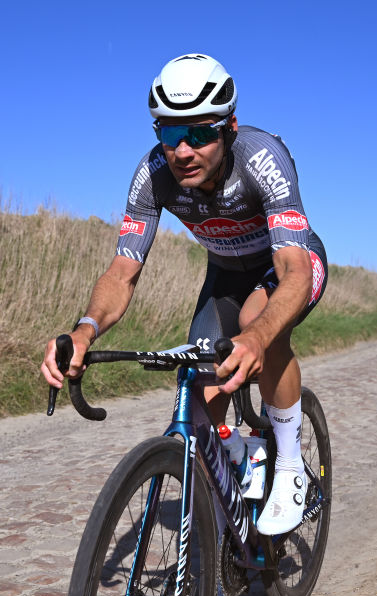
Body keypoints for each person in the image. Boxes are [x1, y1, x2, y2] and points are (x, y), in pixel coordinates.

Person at [40, 54, 327, 536]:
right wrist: (85, 331)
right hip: (225, 275)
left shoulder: (262, 158)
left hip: (290, 265)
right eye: (170, 133)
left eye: (198, 133)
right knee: (198, 396)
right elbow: (122, 272)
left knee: (259, 322)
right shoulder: (153, 174)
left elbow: (293, 271)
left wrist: (258, 337)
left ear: (229, 128)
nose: (182, 151)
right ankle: (234, 478)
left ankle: (290, 464)